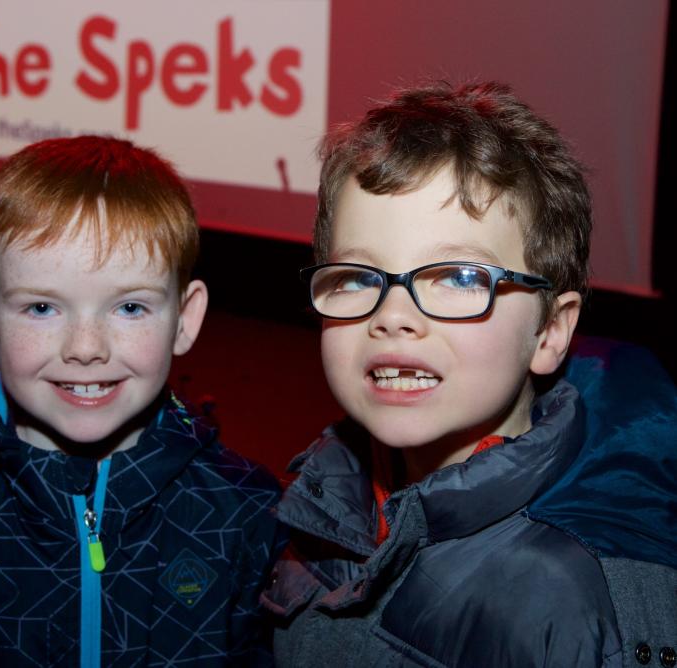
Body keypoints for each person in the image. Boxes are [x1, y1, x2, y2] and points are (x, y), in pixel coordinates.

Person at [261, 82, 677, 666]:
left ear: (550, 332)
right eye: (357, 276)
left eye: (459, 278)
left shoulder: (573, 604)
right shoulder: (323, 497)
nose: (393, 316)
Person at [0, 136, 284, 665]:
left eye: (130, 308)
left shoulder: (246, 512)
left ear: (185, 319)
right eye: (42, 308)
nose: (85, 348)